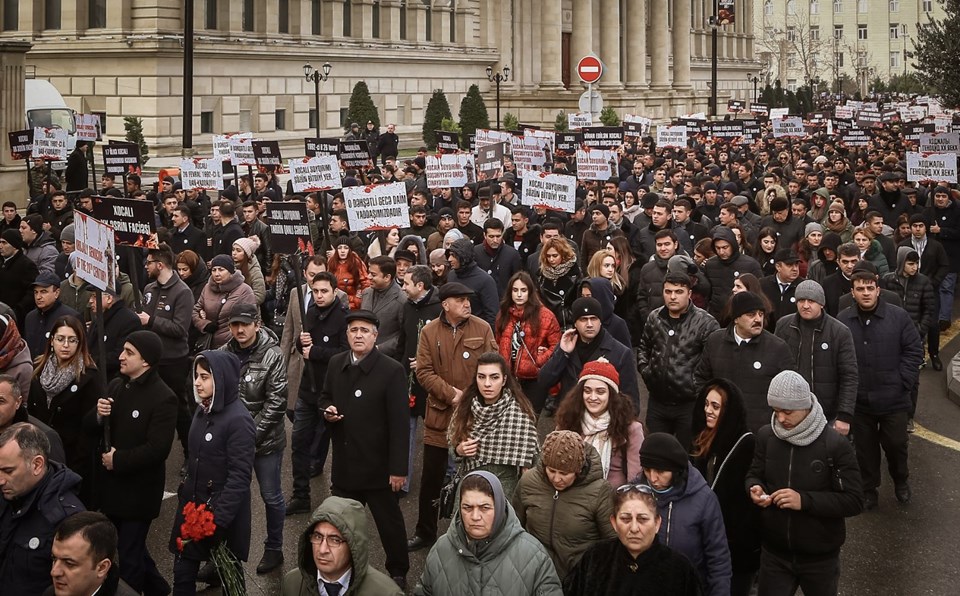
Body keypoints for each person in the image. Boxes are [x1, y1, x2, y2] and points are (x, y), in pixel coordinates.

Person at [745, 371, 863, 595]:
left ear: (805, 406)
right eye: (776, 411)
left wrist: (804, 501)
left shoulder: (835, 446)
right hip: (774, 554)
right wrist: (753, 486)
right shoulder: (765, 436)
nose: (780, 419)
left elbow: (853, 500)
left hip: (820, 559)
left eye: (787, 412)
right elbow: (754, 473)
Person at [319, 309, 411, 588]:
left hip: (379, 467)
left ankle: (398, 570)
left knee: (389, 524)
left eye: (365, 331)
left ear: (375, 336)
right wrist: (327, 410)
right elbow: (324, 398)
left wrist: (398, 469)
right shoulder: (336, 364)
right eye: (353, 330)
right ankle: (346, 568)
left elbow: (400, 424)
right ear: (347, 335)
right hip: (346, 465)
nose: (358, 335)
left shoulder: (392, 370)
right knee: (342, 524)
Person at [85, 330, 177, 596]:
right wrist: (99, 416)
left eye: (129, 352)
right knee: (130, 547)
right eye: (123, 350)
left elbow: (158, 449)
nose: (121, 357)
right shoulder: (116, 386)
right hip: (112, 489)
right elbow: (89, 427)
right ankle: (159, 590)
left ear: (146, 361)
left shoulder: (164, 397)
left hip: (138, 493)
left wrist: (119, 460)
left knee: (129, 557)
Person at [408, 282, 496, 552]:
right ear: (445, 305)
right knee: (431, 479)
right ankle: (425, 532)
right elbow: (423, 371)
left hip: (475, 416)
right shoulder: (429, 331)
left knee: (477, 476)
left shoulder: (482, 328)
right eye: (460, 300)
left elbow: (495, 365)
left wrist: (470, 396)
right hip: (439, 415)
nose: (467, 304)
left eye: (468, 300)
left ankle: (476, 533)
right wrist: (450, 394)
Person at [170, 350, 255, 594]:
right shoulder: (202, 410)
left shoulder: (239, 420)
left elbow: (239, 477)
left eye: (205, 377)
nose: (197, 382)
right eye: (197, 376)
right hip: (193, 510)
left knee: (231, 579)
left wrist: (217, 520)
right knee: (183, 575)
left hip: (219, 516)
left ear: (222, 379)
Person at [837, 270, 923, 510]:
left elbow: (914, 351)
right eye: (860, 289)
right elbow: (838, 357)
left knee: (896, 444)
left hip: (893, 400)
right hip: (860, 401)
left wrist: (902, 382)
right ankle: (869, 489)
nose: (865, 293)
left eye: (869, 288)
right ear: (852, 293)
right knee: (865, 450)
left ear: (878, 290)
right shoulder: (843, 320)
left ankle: (901, 480)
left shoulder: (898, 317)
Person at [218, 302, 288, 574]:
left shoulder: (273, 355)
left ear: (257, 325)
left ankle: (274, 549)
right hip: (233, 442)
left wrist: (248, 437)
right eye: (235, 324)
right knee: (230, 496)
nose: (239, 329)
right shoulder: (223, 353)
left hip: (265, 442)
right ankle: (224, 552)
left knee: (271, 496)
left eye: (244, 324)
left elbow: (276, 402)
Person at [414, 471, 563, 596]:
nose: (475, 516)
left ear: (499, 508)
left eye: (484, 507)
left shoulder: (534, 556)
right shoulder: (441, 549)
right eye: (467, 507)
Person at [563, 483, 702, 596]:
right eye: (625, 519)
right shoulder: (595, 558)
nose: (634, 528)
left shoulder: (679, 569)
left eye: (643, 519)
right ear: (614, 523)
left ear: (657, 523)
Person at [691, 379, 761, 596]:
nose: (708, 411)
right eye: (706, 404)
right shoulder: (702, 438)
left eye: (715, 406)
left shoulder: (746, 444)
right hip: (707, 535)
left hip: (735, 544)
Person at [639, 432, 732, 596]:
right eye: (647, 470)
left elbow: (718, 558)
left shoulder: (704, 500)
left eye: (660, 471)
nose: (653, 478)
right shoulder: (635, 495)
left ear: (676, 470)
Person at [513, 431, 616, 579]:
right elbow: (516, 526)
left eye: (564, 473)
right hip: (535, 572)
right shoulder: (528, 482)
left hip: (579, 577)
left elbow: (611, 541)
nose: (556, 478)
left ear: (578, 470)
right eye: (551, 470)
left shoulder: (599, 491)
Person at [287, 271, 349, 515]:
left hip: (332, 392)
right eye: (315, 291)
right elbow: (303, 347)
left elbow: (345, 354)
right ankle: (300, 495)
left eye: (324, 291)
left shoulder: (344, 318)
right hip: (307, 390)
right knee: (299, 443)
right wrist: (301, 344)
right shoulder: (310, 313)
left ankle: (338, 498)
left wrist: (316, 352)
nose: (319, 295)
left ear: (334, 291)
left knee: (338, 446)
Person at [0, 423, 85, 595]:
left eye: (8, 471)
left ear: (37, 465)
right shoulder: (7, 494)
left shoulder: (67, 518)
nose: (1, 480)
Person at [638, 271, 720, 449]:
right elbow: (644, 347)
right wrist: (647, 372)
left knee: (686, 457)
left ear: (689, 293)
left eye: (678, 292)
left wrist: (696, 387)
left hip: (689, 404)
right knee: (656, 452)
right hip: (657, 401)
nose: (672, 297)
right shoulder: (655, 317)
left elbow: (712, 363)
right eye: (668, 292)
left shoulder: (706, 323)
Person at [27, 316, 103, 503]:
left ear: (80, 343)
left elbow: (89, 430)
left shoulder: (89, 376)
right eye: (60, 338)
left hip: (71, 460)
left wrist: (74, 469)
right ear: (52, 340)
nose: (66, 344)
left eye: (72, 340)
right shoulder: (38, 368)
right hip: (39, 456)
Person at [696, 291, 795, 431]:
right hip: (720, 427)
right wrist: (709, 408)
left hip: (759, 429)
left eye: (761, 314)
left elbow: (790, 390)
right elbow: (701, 378)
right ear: (736, 318)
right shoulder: (715, 341)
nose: (758, 319)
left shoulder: (778, 348)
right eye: (751, 315)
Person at [448, 351, 539, 499]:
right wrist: (459, 450)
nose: (487, 384)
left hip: (505, 489)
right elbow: (452, 444)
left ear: (504, 380)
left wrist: (526, 468)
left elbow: (534, 457)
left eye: (494, 377)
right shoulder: (466, 407)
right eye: (481, 377)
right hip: (471, 484)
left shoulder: (519, 412)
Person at [774, 280, 858, 434]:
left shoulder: (839, 332)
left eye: (811, 301)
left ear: (821, 303)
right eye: (801, 300)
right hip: (789, 411)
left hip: (827, 414)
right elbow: (774, 367)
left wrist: (844, 415)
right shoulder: (783, 326)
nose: (805, 305)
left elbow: (849, 376)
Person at [281, 496, 404, 596]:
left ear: (353, 545)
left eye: (335, 540)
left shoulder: (386, 593)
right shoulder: (293, 583)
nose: (323, 550)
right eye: (318, 537)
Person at [140, 244, 194, 457]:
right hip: (151, 359)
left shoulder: (183, 292)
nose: (146, 266)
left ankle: (190, 453)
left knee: (179, 408)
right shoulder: (149, 289)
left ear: (160, 265)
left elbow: (180, 329)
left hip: (173, 360)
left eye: (149, 262)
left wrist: (151, 321)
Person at [554, 358, 644, 487]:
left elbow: (635, 479)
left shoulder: (630, 428)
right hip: (572, 496)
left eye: (600, 392)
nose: (593, 397)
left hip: (611, 498)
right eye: (587, 391)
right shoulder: (568, 422)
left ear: (611, 395)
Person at [540, 297, 639, 413]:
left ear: (600, 321)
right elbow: (544, 381)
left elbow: (631, 402)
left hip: (604, 422)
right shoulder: (566, 346)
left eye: (594, 319)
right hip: (570, 419)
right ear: (575, 323)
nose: (589, 324)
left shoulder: (621, 353)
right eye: (583, 319)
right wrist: (563, 353)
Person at [494, 271, 560, 413]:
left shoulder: (545, 316)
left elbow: (557, 345)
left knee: (530, 420)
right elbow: (497, 342)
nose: (519, 294)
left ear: (530, 292)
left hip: (534, 379)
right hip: (509, 378)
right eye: (515, 290)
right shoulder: (504, 314)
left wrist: (539, 360)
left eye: (523, 290)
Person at [46, 511, 140, 596]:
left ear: (102, 568)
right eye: (54, 559)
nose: (54, 572)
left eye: (69, 564)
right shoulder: (51, 593)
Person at [191, 254, 257, 348]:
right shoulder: (207, 288)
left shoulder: (244, 290)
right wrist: (204, 324)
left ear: (230, 271)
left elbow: (249, 317)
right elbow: (195, 310)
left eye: (221, 270)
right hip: (209, 343)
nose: (217, 274)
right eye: (214, 270)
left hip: (233, 344)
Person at [444, 238, 500, 327]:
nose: (450, 259)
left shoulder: (485, 280)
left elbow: (492, 315)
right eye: (449, 255)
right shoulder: (451, 275)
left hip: (476, 333)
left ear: (463, 256)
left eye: (453, 255)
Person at [359, 256, 405, 360]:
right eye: (369, 272)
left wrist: (379, 348)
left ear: (387, 277)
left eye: (373, 274)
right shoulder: (366, 293)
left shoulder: (401, 300)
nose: (368, 276)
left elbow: (404, 335)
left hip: (387, 359)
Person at [24, 272, 80, 358]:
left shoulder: (71, 317)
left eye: (43, 292)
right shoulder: (30, 318)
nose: (38, 297)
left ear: (56, 293)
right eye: (36, 292)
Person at [536, 237, 580, 329]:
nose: (551, 259)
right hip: (548, 324)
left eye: (555, 256)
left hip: (569, 324)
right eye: (548, 256)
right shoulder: (541, 276)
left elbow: (579, 300)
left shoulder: (575, 274)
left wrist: (570, 316)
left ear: (563, 255)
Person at [0, 229, 40, 327]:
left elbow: (32, 292)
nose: (0, 246)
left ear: (15, 246)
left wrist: (16, 311)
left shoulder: (27, 265)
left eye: (4, 243)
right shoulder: (2, 263)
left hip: (16, 320)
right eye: (0, 242)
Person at [327, 238, 370, 310]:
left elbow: (366, 282)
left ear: (350, 250)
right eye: (340, 248)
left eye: (346, 248)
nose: (343, 251)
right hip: (336, 303)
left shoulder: (356, 262)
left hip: (353, 304)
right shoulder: (331, 263)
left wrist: (358, 298)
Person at [232, 237, 267, 305]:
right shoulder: (231, 267)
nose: (234, 253)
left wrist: (242, 304)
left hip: (249, 312)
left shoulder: (255, 272)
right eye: (233, 250)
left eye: (238, 251)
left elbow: (260, 296)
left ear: (247, 253)